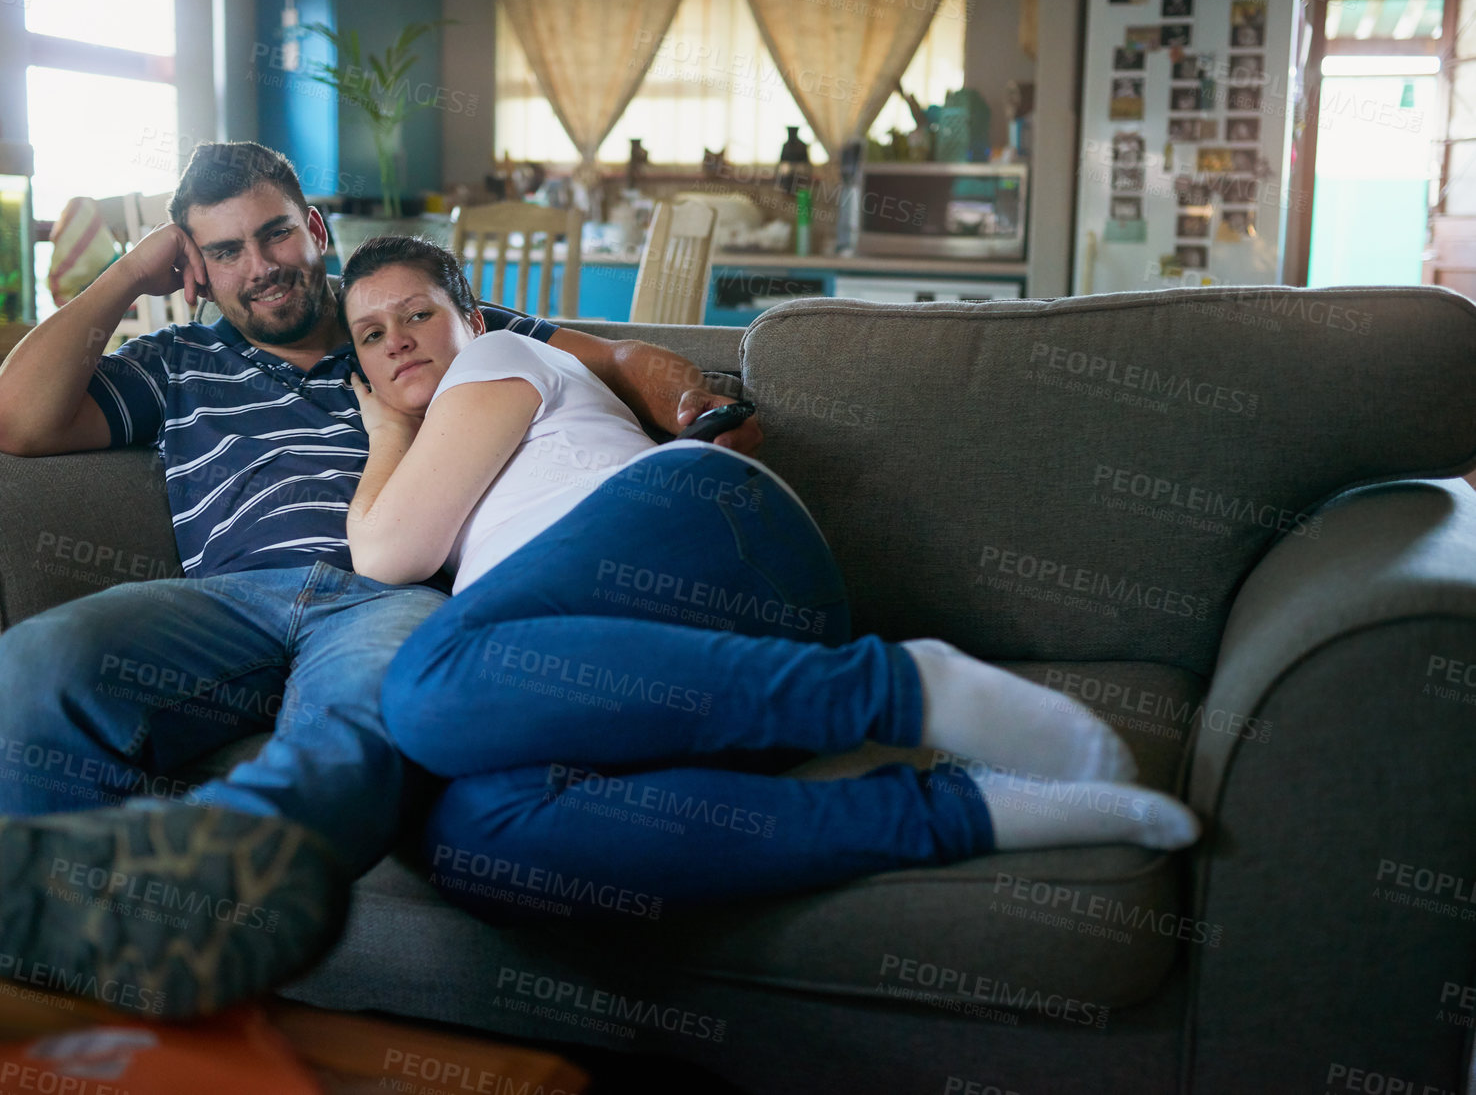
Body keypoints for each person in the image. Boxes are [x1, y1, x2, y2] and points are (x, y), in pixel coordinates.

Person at [0, 142, 761, 1018]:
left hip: (389, 595)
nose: (260, 268)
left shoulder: (417, 326)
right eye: (225, 252)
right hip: (227, 603)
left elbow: (630, 358)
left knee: (373, 715)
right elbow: (7, 422)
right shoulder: (176, 364)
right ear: (197, 268)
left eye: (276, 234)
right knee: (35, 665)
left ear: (316, 230)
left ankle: (215, 896)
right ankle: (58, 995)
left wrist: (703, 417)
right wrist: (133, 266)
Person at [341, 237, 1201, 924]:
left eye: (417, 312)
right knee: (476, 837)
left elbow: (385, 554)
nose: (399, 340)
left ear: (474, 314)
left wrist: (383, 437)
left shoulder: (495, 360)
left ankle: (895, 687)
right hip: (702, 673)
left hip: (704, 532)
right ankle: (964, 812)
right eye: (372, 337)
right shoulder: (445, 444)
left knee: (423, 689)